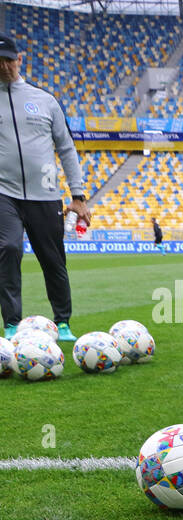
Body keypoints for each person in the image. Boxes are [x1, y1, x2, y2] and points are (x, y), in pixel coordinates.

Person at [0, 32, 90, 341]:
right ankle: (12, 323)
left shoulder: (45, 100)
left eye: (9, 59)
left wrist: (78, 197)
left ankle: (62, 323)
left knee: (53, 259)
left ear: (19, 59)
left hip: (45, 194)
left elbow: (66, 148)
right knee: (8, 248)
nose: (4, 66)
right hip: (4, 193)